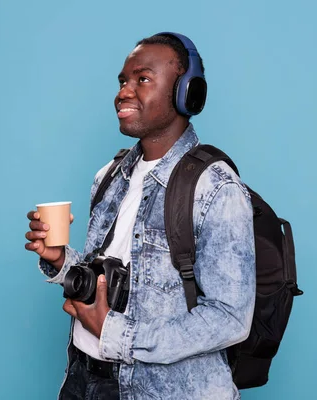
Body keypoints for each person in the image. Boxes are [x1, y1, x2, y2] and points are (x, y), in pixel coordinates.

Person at [24, 32, 256, 400]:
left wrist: (117, 334)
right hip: (84, 377)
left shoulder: (215, 188)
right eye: (122, 81)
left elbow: (230, 317)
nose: (124, 92)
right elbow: (105, 282)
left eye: (142, 79)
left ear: (186, 93)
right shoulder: (110, 176)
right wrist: (61, 262)